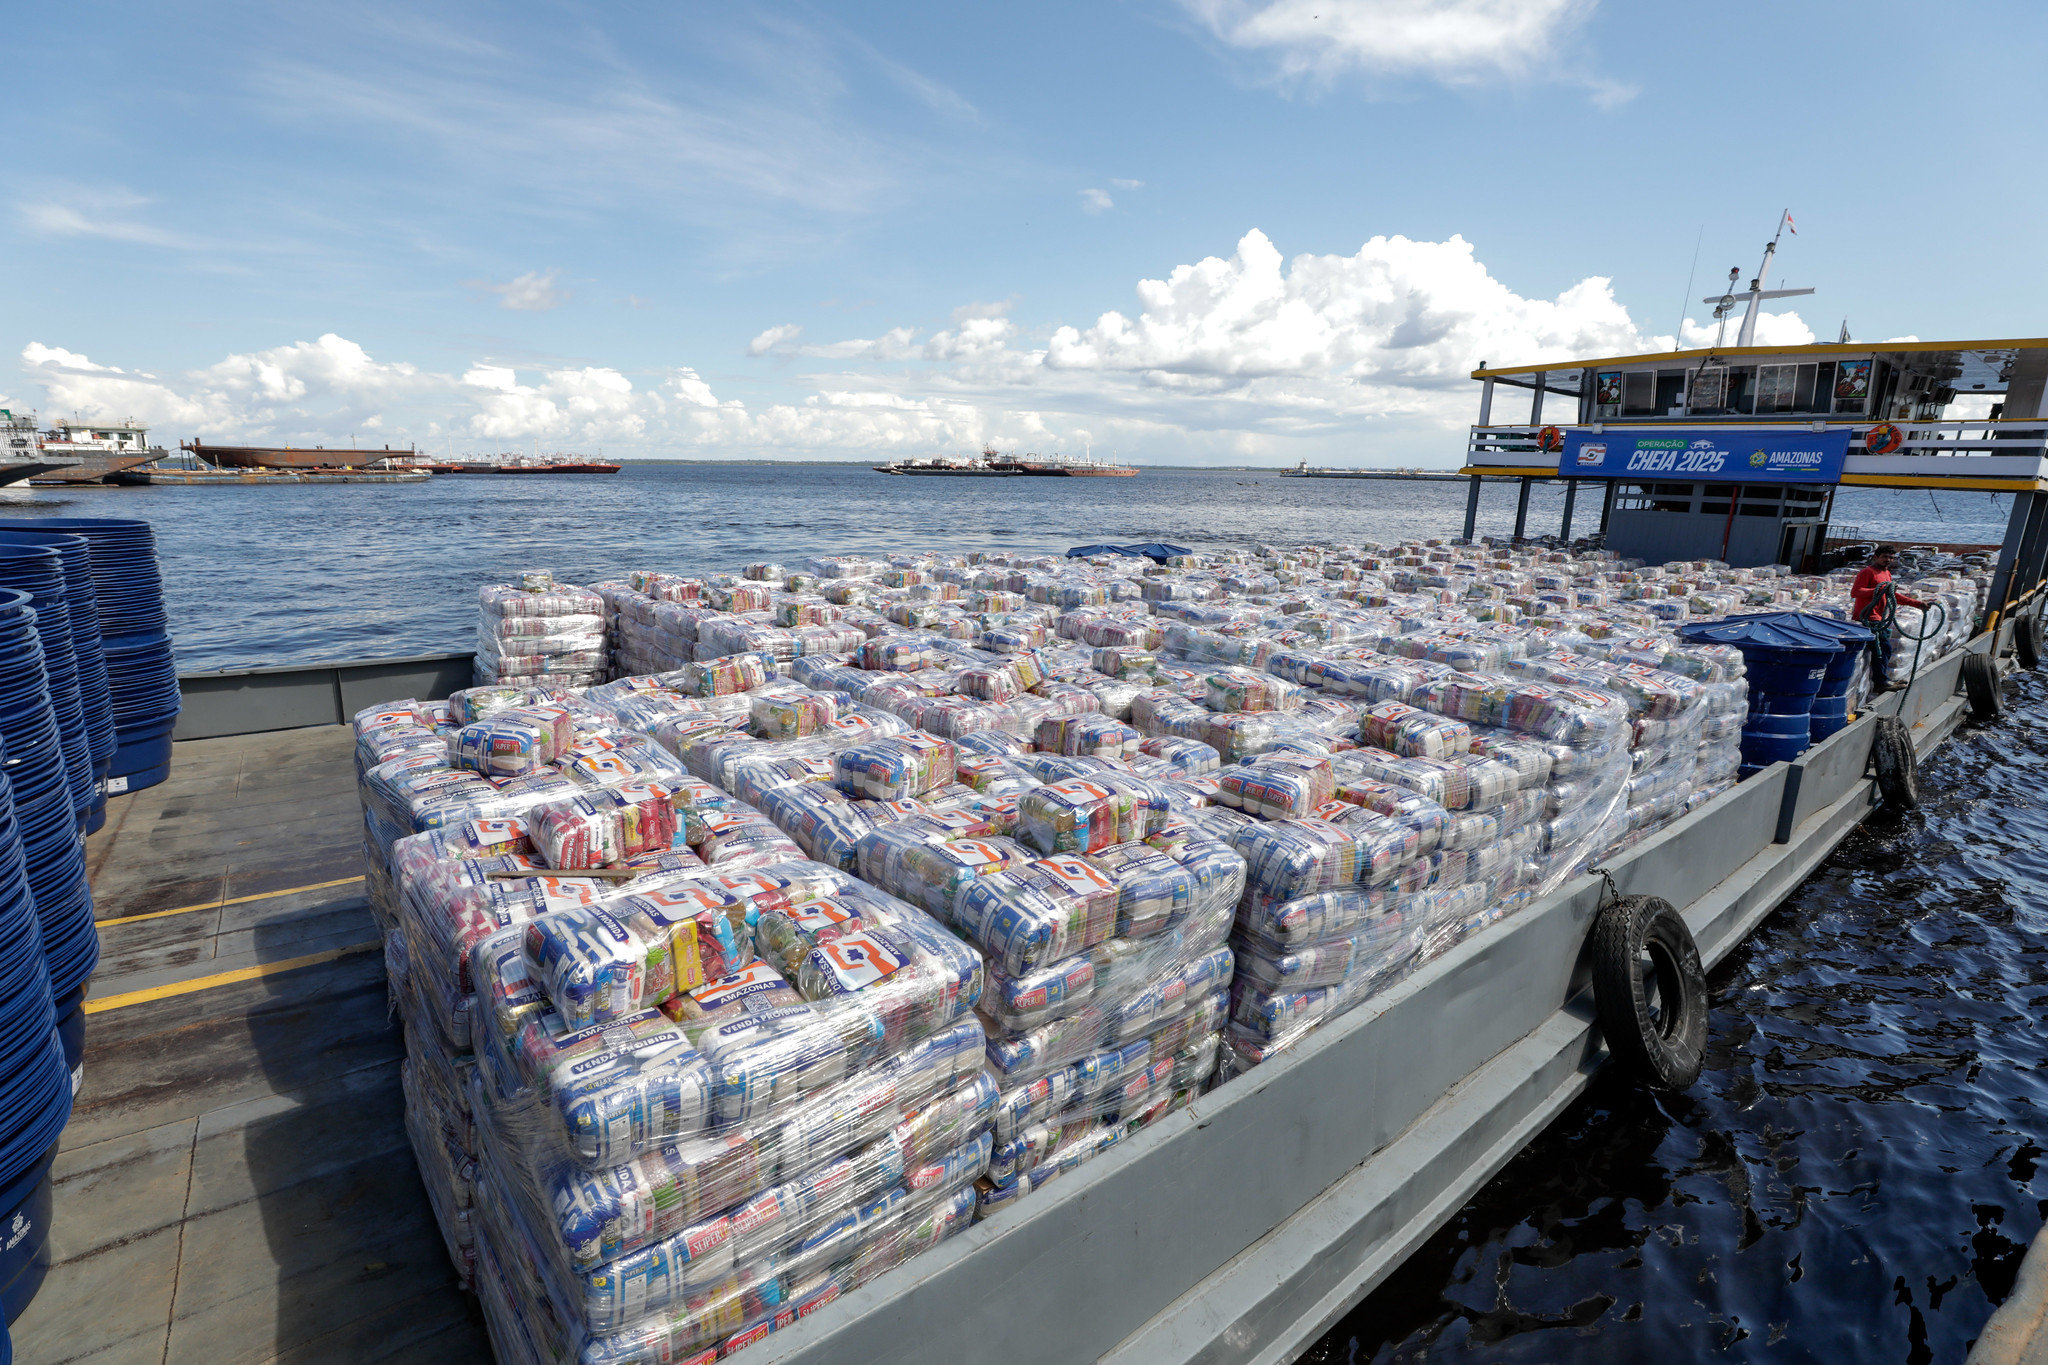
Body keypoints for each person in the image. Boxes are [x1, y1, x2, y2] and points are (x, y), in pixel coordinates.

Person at [1850, 546, 1926, 690]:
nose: (1888, 560)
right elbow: (1856, 592)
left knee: (1883, 649)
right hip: (1868, 618)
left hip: (1880, 618)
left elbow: (1892, 595)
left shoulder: (1887, 574)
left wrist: (1917, 604)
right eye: (1885, 557)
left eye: (1891, 557)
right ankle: (1881, 682)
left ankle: (1881, 679)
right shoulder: (1867, 572)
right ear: (1875, 557)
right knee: (1882, 649)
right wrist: (1878, 589)